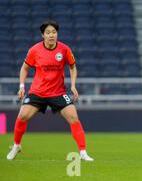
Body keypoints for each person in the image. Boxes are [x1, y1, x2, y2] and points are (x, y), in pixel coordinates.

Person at [6, 20, 93, 161]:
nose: (51, 35)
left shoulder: (64, 49)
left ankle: (83, 152)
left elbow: (73, 66)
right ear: (43, 35)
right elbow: (25, 68)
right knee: (22, 116)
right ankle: (16, 146)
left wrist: (73, 85)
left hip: (58, 92)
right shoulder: (34, 50)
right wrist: (22, 86)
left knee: (74, 117)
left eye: (54, 32)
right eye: (48, 32)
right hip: (37, 92)